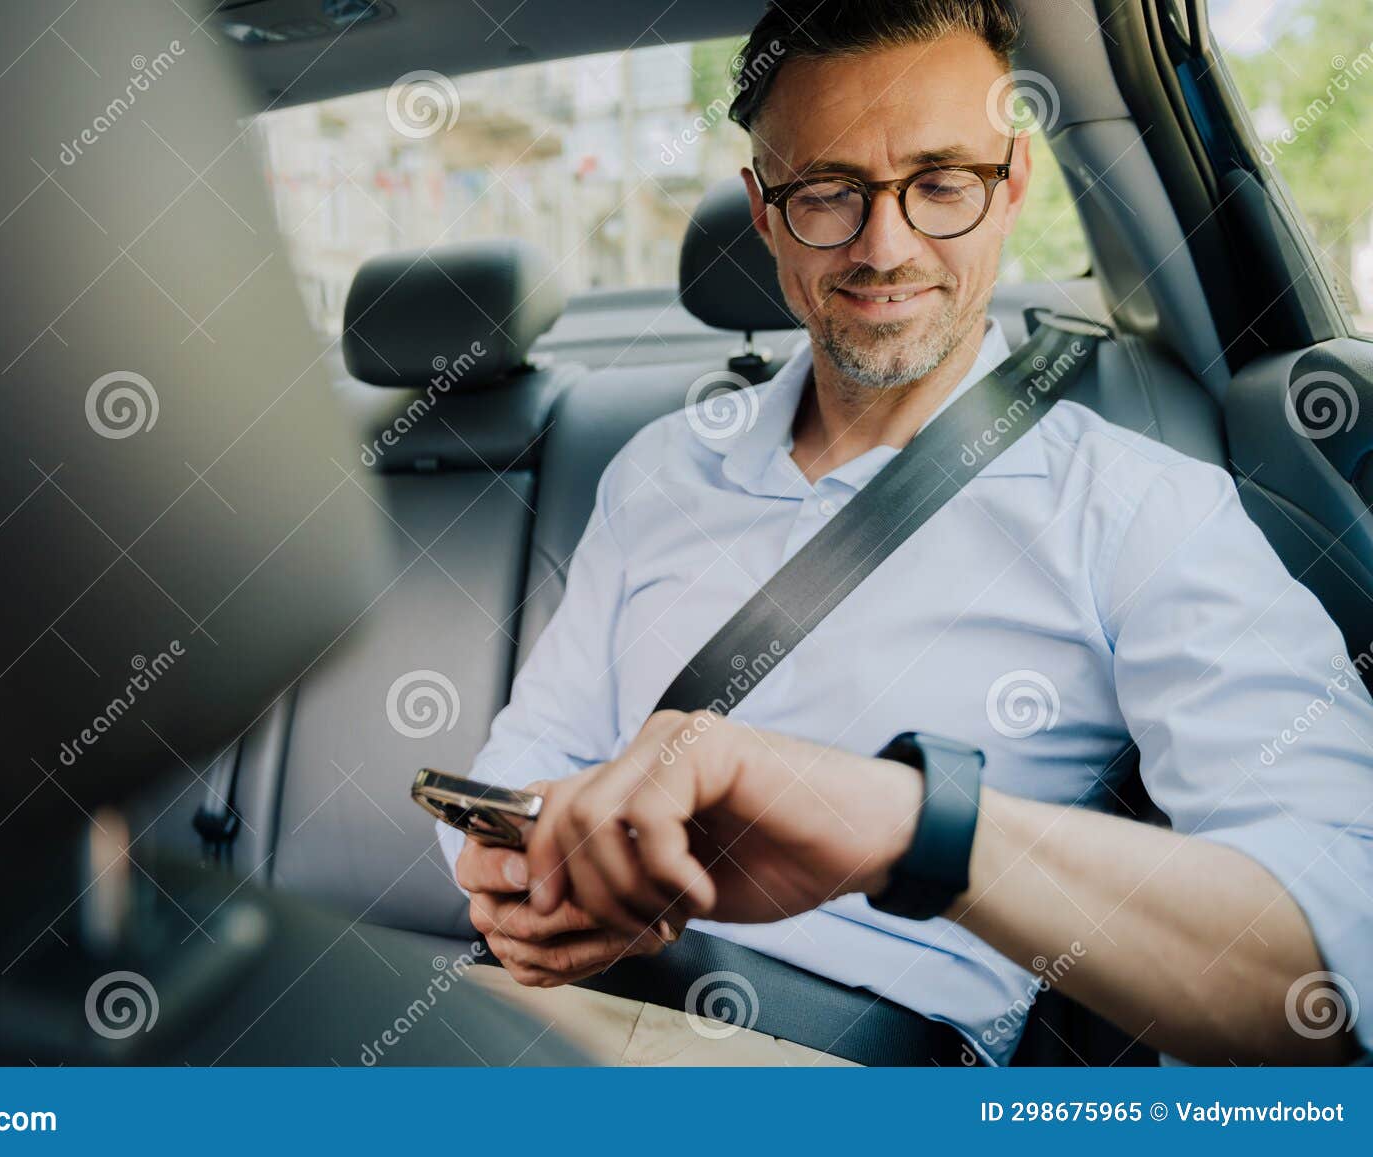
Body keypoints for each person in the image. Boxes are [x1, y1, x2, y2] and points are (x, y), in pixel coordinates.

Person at [439, 0, 1373, 1066]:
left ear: (1012, 182)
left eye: (940, 183)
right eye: (828, 193)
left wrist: (915, 824)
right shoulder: (659, 468)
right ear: (762, 209)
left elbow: (1339, 938)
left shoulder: (1136, 506)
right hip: (546, 1003)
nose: (885, 247)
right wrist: (522, 877)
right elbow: (529, 759)